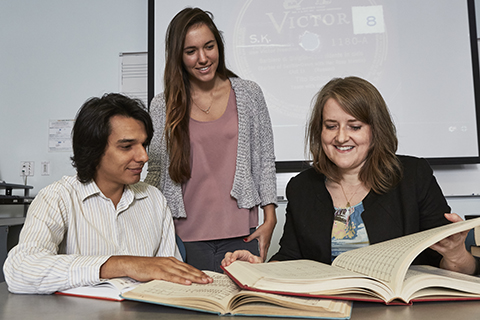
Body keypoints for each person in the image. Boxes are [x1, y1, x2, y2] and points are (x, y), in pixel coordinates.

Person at [222, 76, 478, 275]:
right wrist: (258, 268)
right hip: (328, 310)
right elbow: (291, 259)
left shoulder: (413, 177)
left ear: (375, 131)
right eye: (331, 126)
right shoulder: (302, 187)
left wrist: (457, 255)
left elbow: (452, 269)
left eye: (354, 126)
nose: (341, 137)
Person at [3, 93, 212, 294]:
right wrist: (121, 264)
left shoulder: (154, 200)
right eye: (127, 146)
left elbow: (171, 274)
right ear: (94, 150)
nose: (144, 156)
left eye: (143, 144)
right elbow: (20, 270)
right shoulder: (57, 198)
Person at [144, 7, 277, 273]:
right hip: (183, 238)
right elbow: (156, 172)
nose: (203, 58)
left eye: (209, 46)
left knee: (241, 310)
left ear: (219, 46)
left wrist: (270, 218)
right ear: (178, 57)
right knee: (191, 314)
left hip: (242, 234)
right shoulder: (162, 105)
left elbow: (264, 160)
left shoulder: (249, 94)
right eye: (191, 51)